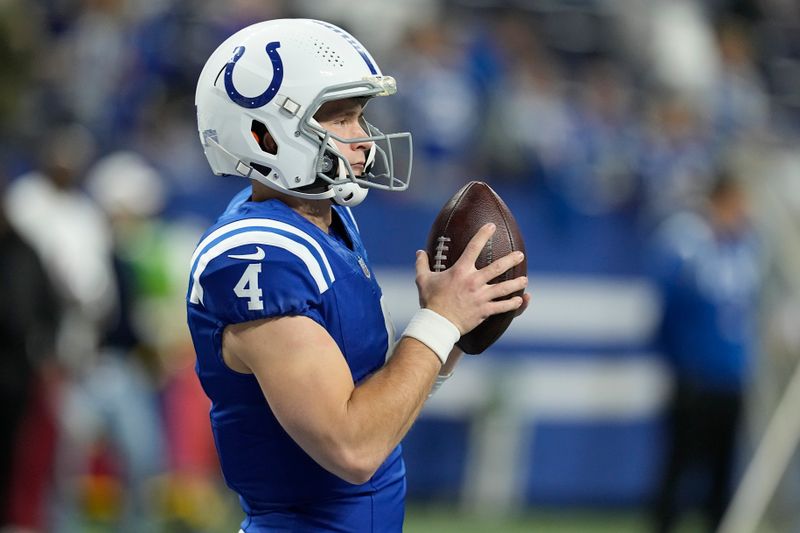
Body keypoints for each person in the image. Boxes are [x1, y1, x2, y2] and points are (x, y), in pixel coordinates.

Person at [187, 18, 530, 532]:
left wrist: (454, 327)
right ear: (264, 134)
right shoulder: (259, 256)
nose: (363, 138)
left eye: (360, 117)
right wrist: (437, 322)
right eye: (341, 119)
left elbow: (376, 404)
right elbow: (353, 445)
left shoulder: (327, 222)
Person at [649, 172, 760, 532]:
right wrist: (680, 362)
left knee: (722, 476)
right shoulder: (687, 244)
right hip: (695, 377)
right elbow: (667, 310)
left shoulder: (746, 249)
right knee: (679, 468)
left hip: (732, 377)